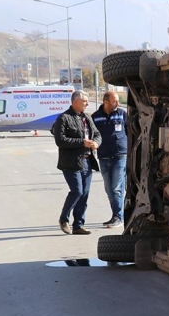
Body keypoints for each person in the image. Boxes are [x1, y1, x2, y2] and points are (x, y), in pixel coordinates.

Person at [52, 90, 101, 235]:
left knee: (84, 195)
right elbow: (60, 140)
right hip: (71, 162)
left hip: (87, 161)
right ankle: (63, 218)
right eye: (84, 101)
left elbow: (97, 134)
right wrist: (82, 142)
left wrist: (96, 143)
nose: (87, 103)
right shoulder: (64, 118)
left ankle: (78, 225)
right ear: (75, 102)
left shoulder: (87, 117)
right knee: (77, 191)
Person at [92, 91, 127, 231]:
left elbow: (131, 130)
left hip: (120, 155)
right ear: (106, 102)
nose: (117, 103)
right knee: (108, 189)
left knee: (116, 188)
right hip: (104, 156)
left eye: (118, 101)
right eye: (114, 101)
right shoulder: (95, 117)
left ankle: (119, 217)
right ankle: (116, 215)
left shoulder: (122, 114)